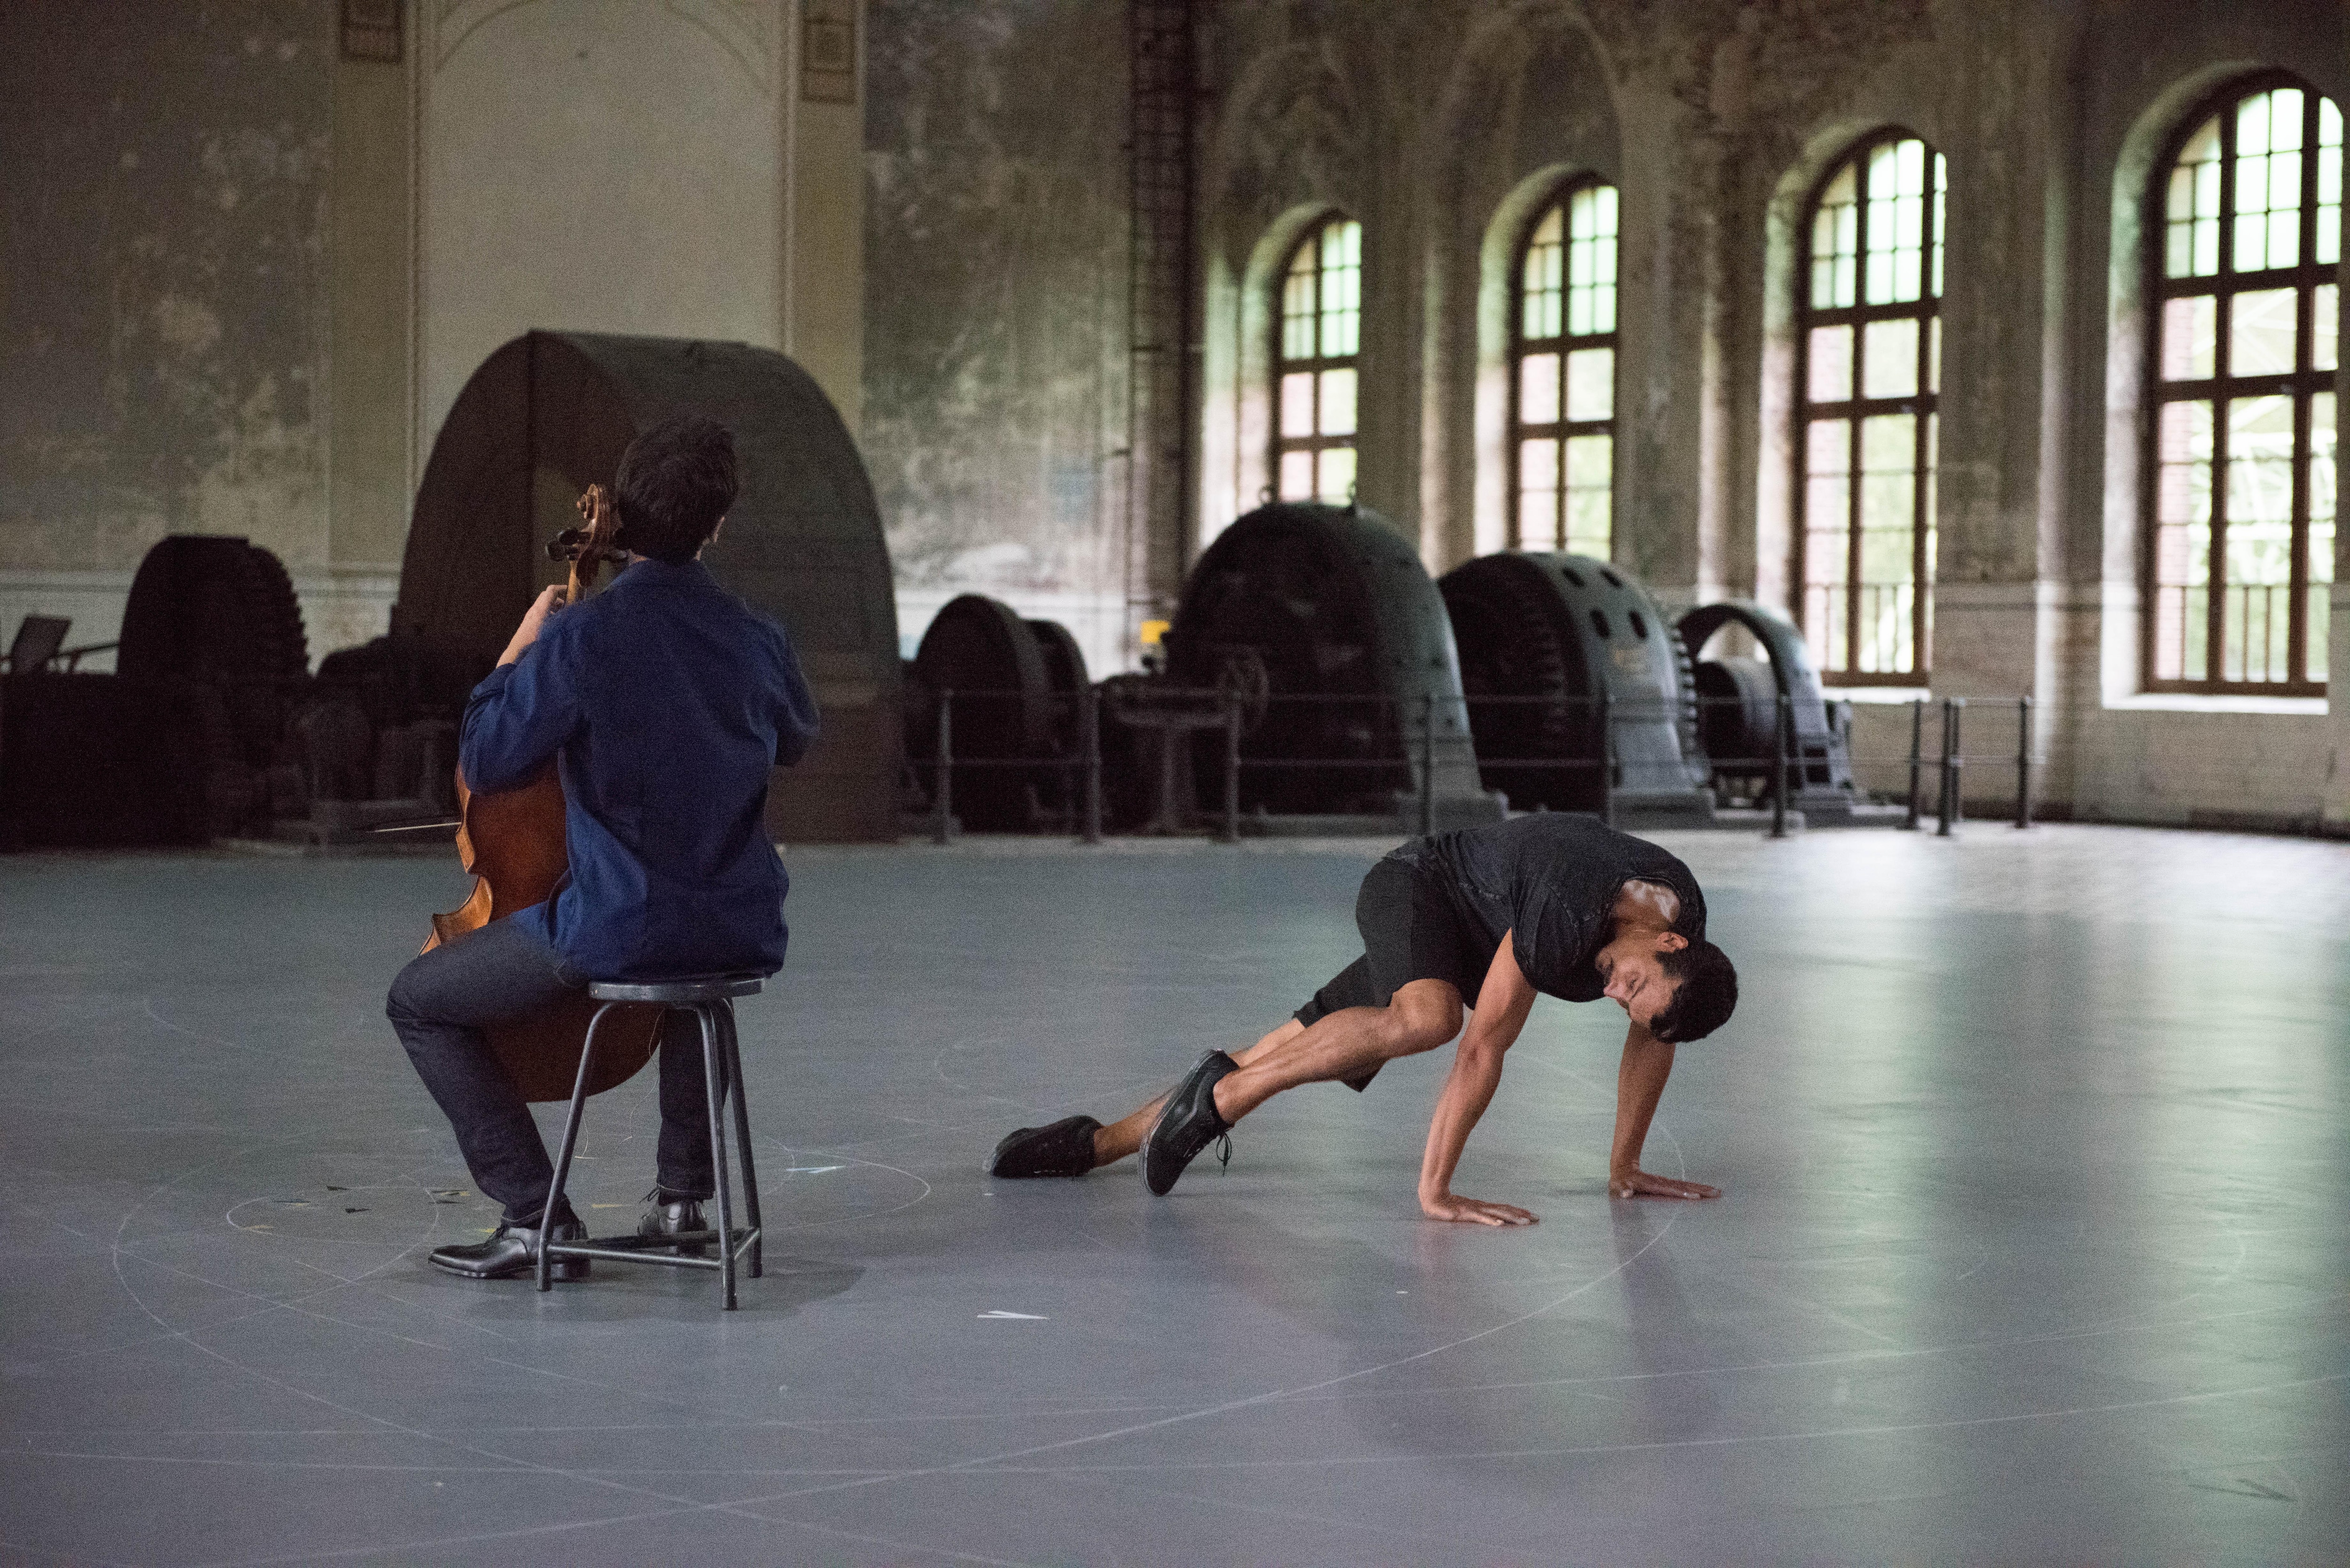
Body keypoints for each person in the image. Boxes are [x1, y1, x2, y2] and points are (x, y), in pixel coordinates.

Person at [388, 415, 819, 1280]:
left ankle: (529, 1216)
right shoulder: (757, 635)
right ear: (718, 524)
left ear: (619, 516)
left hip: (620, 924)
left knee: (419, 1001)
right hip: (742, 924)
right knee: (698, 977)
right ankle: (683, 1203)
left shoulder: (587, 637)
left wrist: (519, 651)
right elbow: (799, 738)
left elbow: (490, 758)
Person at [987, 814, 1737, 1224]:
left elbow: (1652, 1036)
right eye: (1631, 983)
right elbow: (1483, 1050)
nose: (1617, 996)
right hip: (1421, 887)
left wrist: (1624, 1165)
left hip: (1477, 929)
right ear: (1663, 941)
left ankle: (1090, 1144)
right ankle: (1219, 1101)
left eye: (1633, 1001)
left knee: (1291, 1044)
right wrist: (1436, 1191)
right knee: (1430, 1016)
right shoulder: (1571, 910)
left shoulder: (1679, 932)